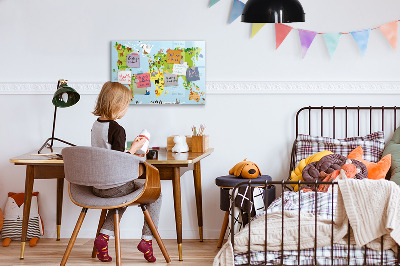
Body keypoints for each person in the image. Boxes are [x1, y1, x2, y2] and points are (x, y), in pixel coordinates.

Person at [91, 81, 161, 263]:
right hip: (114, 186)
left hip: (97, 186)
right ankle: (147, 240)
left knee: (122, 197)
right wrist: (135, 149)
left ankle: (103, 238)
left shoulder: (96, 125)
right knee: (156, 194)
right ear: (118, 105)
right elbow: (118, 161)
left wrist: (130, 150)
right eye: (127, 104)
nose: (126, 109)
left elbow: (108, 154)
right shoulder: (117, 129)